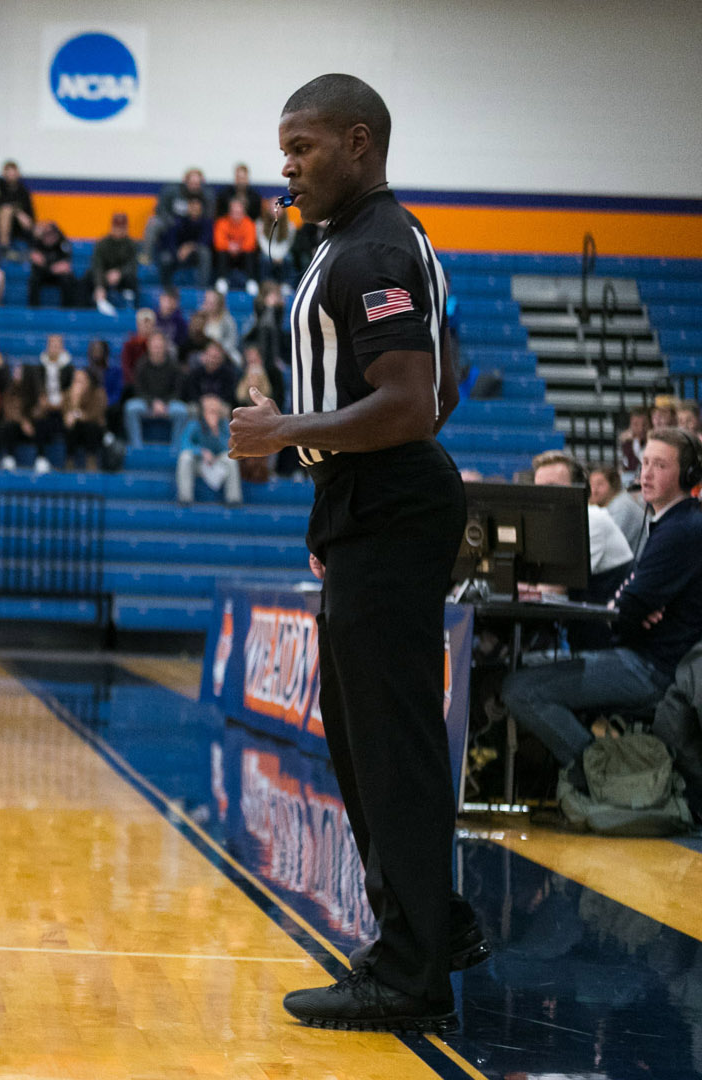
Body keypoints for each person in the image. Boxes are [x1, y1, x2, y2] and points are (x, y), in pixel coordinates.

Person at [227, 73, 477, 1034]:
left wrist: (287, 428)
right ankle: (432, 927)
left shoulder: (373, 246)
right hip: (369, 500)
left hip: (390, 498)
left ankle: (410, 971)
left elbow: (413, 404)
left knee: (390, 744)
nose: (286, 167)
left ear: (360, 141)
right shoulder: (359, 240)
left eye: (304, 147)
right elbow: (437, 389)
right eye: (284, 148)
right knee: (367, 737)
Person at [502, 431, 702, 776]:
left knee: (520, 689)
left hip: (652, 669)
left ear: (688, 475)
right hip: (643, 658)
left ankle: (602, 777)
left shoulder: (682, 528)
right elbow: (630, 604)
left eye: (661, 465)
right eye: (645, 464)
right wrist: (630, 608)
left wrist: (628, 610)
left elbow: (625, 610)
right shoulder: (668, 522)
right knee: (520, 667)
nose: (647, 474)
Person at [525, 450, 635, 604]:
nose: (545, 496)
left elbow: (552, 589)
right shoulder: (548, 526)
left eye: (553, 487)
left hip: (608, 622)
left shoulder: (593, 520)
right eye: (539, 489)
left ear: (579, 489)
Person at [125, 332, 189, 445]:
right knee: (131, 408)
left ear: (165, 347)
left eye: (160, 346)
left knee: (182, 411)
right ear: (149, 347)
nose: (157, 349)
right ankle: (137, 447)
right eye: (155, 346)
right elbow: (138, 390)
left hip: (168, 405)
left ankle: (176, 449)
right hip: (146, 403)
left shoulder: (174, 366)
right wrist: (153, 403)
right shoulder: (141, 364)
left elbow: (177, 391)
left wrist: (164, 403)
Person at [177, 395, 242, 505]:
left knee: (231, 460)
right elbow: (184, 444)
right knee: (185, 457)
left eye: (216, 411)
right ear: (203, 412)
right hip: (199, 463)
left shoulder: (223, 425)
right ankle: (185, 499)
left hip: (216, 460)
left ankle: (233, 499)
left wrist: (215, 432)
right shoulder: (194, 424)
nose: (213, 414)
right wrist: (201, 451)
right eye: (210, 411)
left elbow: (229, 447)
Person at [58, 366, 109, 471]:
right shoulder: (68, 394)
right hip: (76, 431)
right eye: (76, 381)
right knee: (70, 427)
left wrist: (77, 415)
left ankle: (91, 459)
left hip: (94, 430)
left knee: (90, 427)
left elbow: (95, 415)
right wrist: (75, 401)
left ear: (88, 381)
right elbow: (66, 417)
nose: (78, 384)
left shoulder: (98, 393)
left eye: (81, 381)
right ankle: (69, 460)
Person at [90, 212, 139, 315]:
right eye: (117, 227)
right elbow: (97, 265)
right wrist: (99, 285)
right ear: (112, 227)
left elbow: (132, 265)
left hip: (123, 278)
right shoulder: (102, 243)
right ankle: (89, 308)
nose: (119, 230)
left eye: (122, 227)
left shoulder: (131, 244)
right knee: (88, 278)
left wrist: (119, 273)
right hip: (104, 277)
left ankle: (129, 304)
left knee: (132, 279)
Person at [0, 160, 35, 254]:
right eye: (8, 172)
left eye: (13, 172)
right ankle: (4, 247)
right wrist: (16, 211)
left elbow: (31, 214)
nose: (11, 175)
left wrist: (20, 215)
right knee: (6, 211)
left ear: (18, 174)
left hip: (19, 226)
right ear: (4, 173)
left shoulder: (23, 191)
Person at [25, 220, 77, 307]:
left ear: (56, 235)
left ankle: (67, 310)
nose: (49, 238)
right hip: (42, 273)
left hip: (58, 275)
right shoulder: (37, 243)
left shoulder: (63, 243)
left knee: (68, 279)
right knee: (33, 279)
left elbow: (65, 265)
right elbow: (35, 258)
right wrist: (50, 267)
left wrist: (48, 266)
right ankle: (33, 309)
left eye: (51, 235)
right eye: (46, 235)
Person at [213, 198, 260, 292]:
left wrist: (238, 247)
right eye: (233, 212)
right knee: (221, 253)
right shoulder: (221, 222)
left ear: (244, 212)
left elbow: (250, 244)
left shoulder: (249, 223)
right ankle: (222, 280)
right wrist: (229, 246)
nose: (236, 215)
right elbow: (218, 242)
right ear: (229, 212)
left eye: (238, 212)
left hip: (242, 255)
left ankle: (250, 281)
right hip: (227, 255)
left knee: (250, 254)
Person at [618, 407, 651, 485]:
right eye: (636, 424)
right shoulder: (627, 442)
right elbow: (624, 466)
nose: (641, 429)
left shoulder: (652, 442)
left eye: (645, 424)